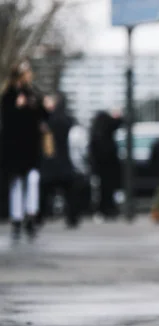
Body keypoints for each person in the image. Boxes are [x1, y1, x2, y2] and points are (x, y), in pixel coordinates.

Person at [0, 61, 49, 241]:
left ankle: (30, 214)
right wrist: (17, 107)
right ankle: (17, 218)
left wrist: (43, 107)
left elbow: (42, 115)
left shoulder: (32, 93)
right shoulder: (9, 95)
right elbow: (7, 118)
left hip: (30, 147)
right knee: (17, 183)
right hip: (14, 148)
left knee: (32, 180)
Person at [39, 93, 80, 228]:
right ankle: (72, 218)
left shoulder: (49, 120)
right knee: (69, 193)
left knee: (45, 192)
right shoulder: (66, 119)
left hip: (51, 162)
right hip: (63, 162)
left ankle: (39, 217)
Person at [89, 110, 123, 220]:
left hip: (100, 169)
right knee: (108, 190)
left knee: (102, 191)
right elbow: (118, 123)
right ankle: (108, 210)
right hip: (108, 168)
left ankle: (103, 210)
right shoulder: (107, 136)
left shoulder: (96, 134)